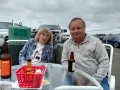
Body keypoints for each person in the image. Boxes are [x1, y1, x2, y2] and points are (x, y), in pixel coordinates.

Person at [61, 17, 109, 90]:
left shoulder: (96, 42)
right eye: (73, 29)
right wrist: (75, 76)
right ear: (70, 31)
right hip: (73, 77)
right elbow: (64, 62)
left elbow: (104, 62)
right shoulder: (67, 44)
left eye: (78, 28)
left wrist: (94, 80)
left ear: (84, 28)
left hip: (96, 78)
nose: (76, 31)